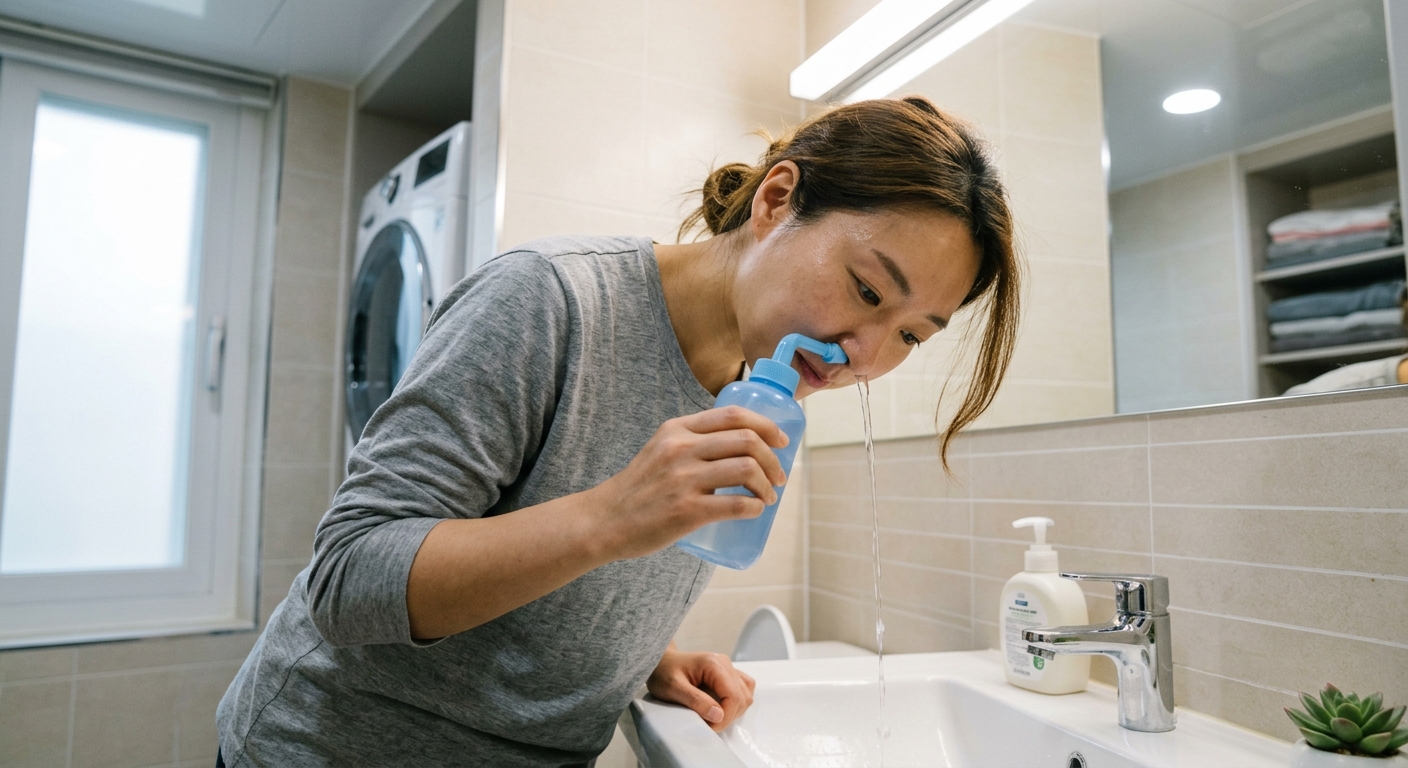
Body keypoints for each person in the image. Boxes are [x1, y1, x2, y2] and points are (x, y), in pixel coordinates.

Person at [216, 95, 1022, 767]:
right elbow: (346, 583)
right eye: (866, 290)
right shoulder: (548, 301)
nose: (864, 355)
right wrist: (612, 516)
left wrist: (639, 662)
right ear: (776, 200)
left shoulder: (769, 380)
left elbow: (546, 581)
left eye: (913, 336)